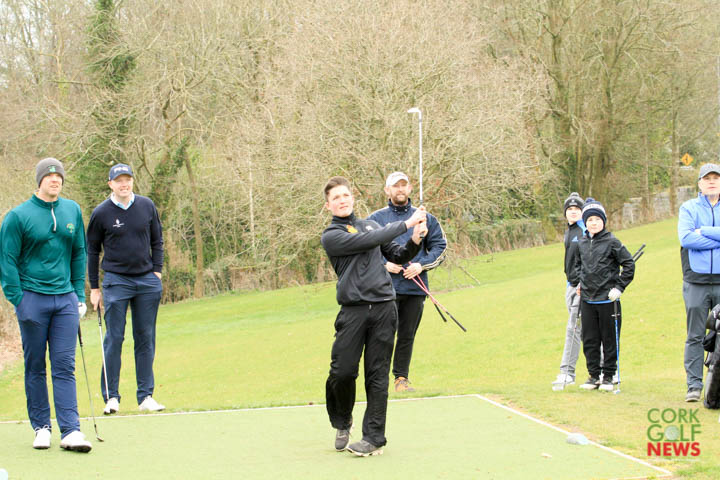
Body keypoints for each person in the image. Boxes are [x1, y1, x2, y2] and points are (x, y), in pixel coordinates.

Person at [321, 176, 428, 457]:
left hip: (383, 308)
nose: (342, 200)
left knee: (377, 375)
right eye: (335, 198)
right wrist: (406, 223)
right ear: (328, 205)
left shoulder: (370, 225)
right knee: (342, 372)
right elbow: (368, 240)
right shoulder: (332, 236)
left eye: (345, 195)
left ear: (352, 197)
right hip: (353, 311)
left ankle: (373, 438)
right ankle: (342, 420)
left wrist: (416, 236)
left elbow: (398, 254)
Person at [0, 158, 92, 452]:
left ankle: (71, 430)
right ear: (39, 181)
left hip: (65, 300)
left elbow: (79, 253)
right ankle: (41, 427)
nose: (55, 180)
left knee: (64, 365)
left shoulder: (72, 210)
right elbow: (7, 261)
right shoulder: (18, 216)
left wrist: (78, 295)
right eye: (49, 176)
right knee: (35, 365)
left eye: (59, 176)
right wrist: (18, 299)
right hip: (32, 299)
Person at [86, 163, 165, 414]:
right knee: (115, 338)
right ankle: (111, 397)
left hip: (146, 280)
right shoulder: (101, 213)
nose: (124, 184)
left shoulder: (146, 205)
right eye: (119, 180)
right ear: (110, 184)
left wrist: (157, 271)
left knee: (145, 337)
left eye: (127, 179)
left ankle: (146, 396)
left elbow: (157, 240)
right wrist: (94, 288)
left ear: (132, 181)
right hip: (116, 281)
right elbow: (92, 251)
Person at [367, 171, 447, 392]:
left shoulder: (425, 217)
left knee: (406, 336)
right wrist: (384, 264)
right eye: (395, 186)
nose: (400, 189)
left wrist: (421, 265)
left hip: (415, 289)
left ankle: (401, 379)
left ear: (410, 189)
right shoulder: (375, 219)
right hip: (385, 289)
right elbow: (365, 250)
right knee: (383, 336)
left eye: (403, 185)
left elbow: (440, 247)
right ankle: (378, 380)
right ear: (387, 190)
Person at [574, 198, 634, 391]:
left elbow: (629, 264)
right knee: (590, 340)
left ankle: (608, 376)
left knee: (609, 340)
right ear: (585, 222)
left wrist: (619, 287)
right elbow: (577, 266)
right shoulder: (581, 242)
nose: (594, 223)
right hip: (587, 300)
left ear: (604, 221)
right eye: (590, 220)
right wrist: (579, 282)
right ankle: (594, 375)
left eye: (597, 219)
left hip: (608, 299)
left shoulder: (612, 242)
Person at [678, 163, 720, 402]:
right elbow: (686, 238)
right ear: (700, 184)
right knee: (695, 335)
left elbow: (695, 236)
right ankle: (694, 385)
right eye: (707, 178)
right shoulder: (689, 207)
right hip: (696, 281)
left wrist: (703, 231)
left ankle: (717, 388)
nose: (712, 182)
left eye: (716, 178)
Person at [551, 192, 585, 389]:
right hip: (570, 286)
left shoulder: (584, 230)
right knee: (585, 331)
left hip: (582, 288)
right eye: (570, 209)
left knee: (573, 329)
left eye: (577, 209)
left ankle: (567, 373)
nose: (573, 212)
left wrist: (582, 284)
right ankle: (606, 369)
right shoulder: (569, 231)